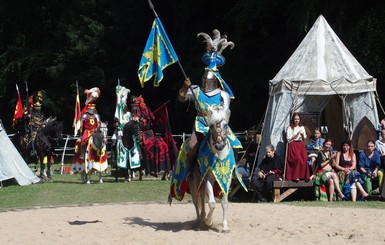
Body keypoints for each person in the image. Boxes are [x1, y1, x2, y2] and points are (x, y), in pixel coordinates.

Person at [178, 30, 242, 181]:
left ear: (216, 81)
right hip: (200, 123)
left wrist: (220, 121)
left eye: (209, 80)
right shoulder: (195, 91)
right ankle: (190, 171)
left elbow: (226, 112)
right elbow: (181, 99)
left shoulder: (223, 94)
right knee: (193, 146)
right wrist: (185, 87)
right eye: (204, 80)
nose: (206, 83)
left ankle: (233, 169)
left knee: (235, 144)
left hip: (219, 123)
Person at [285, 113, 310, 181]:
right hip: (292, 144)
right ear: (293, 119)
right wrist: (296, 135)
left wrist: (301, 135)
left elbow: (304, 138)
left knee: (304, 158)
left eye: (298, 119)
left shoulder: (302, 127)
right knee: (297, 159)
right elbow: (288, 138)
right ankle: (295, 176)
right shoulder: (290, 127)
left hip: (300, 144)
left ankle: (303, 176)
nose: (297, 120)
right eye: (295, 119)